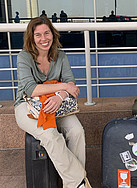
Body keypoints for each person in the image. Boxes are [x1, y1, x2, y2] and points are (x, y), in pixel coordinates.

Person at [14, 16, 90, 188]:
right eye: (38, 35)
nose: (44, 39)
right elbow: (31, 89)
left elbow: (73, 86)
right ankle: (79, 181)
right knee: (50, 136)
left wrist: (59, 96)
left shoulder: (60, 56)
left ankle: (74, 184)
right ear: (31, 37)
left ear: (52, 34)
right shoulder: (24, 57)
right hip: (27, 107)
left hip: (56, 106)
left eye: (47, 33)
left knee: (77, 131)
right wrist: (63, 88)